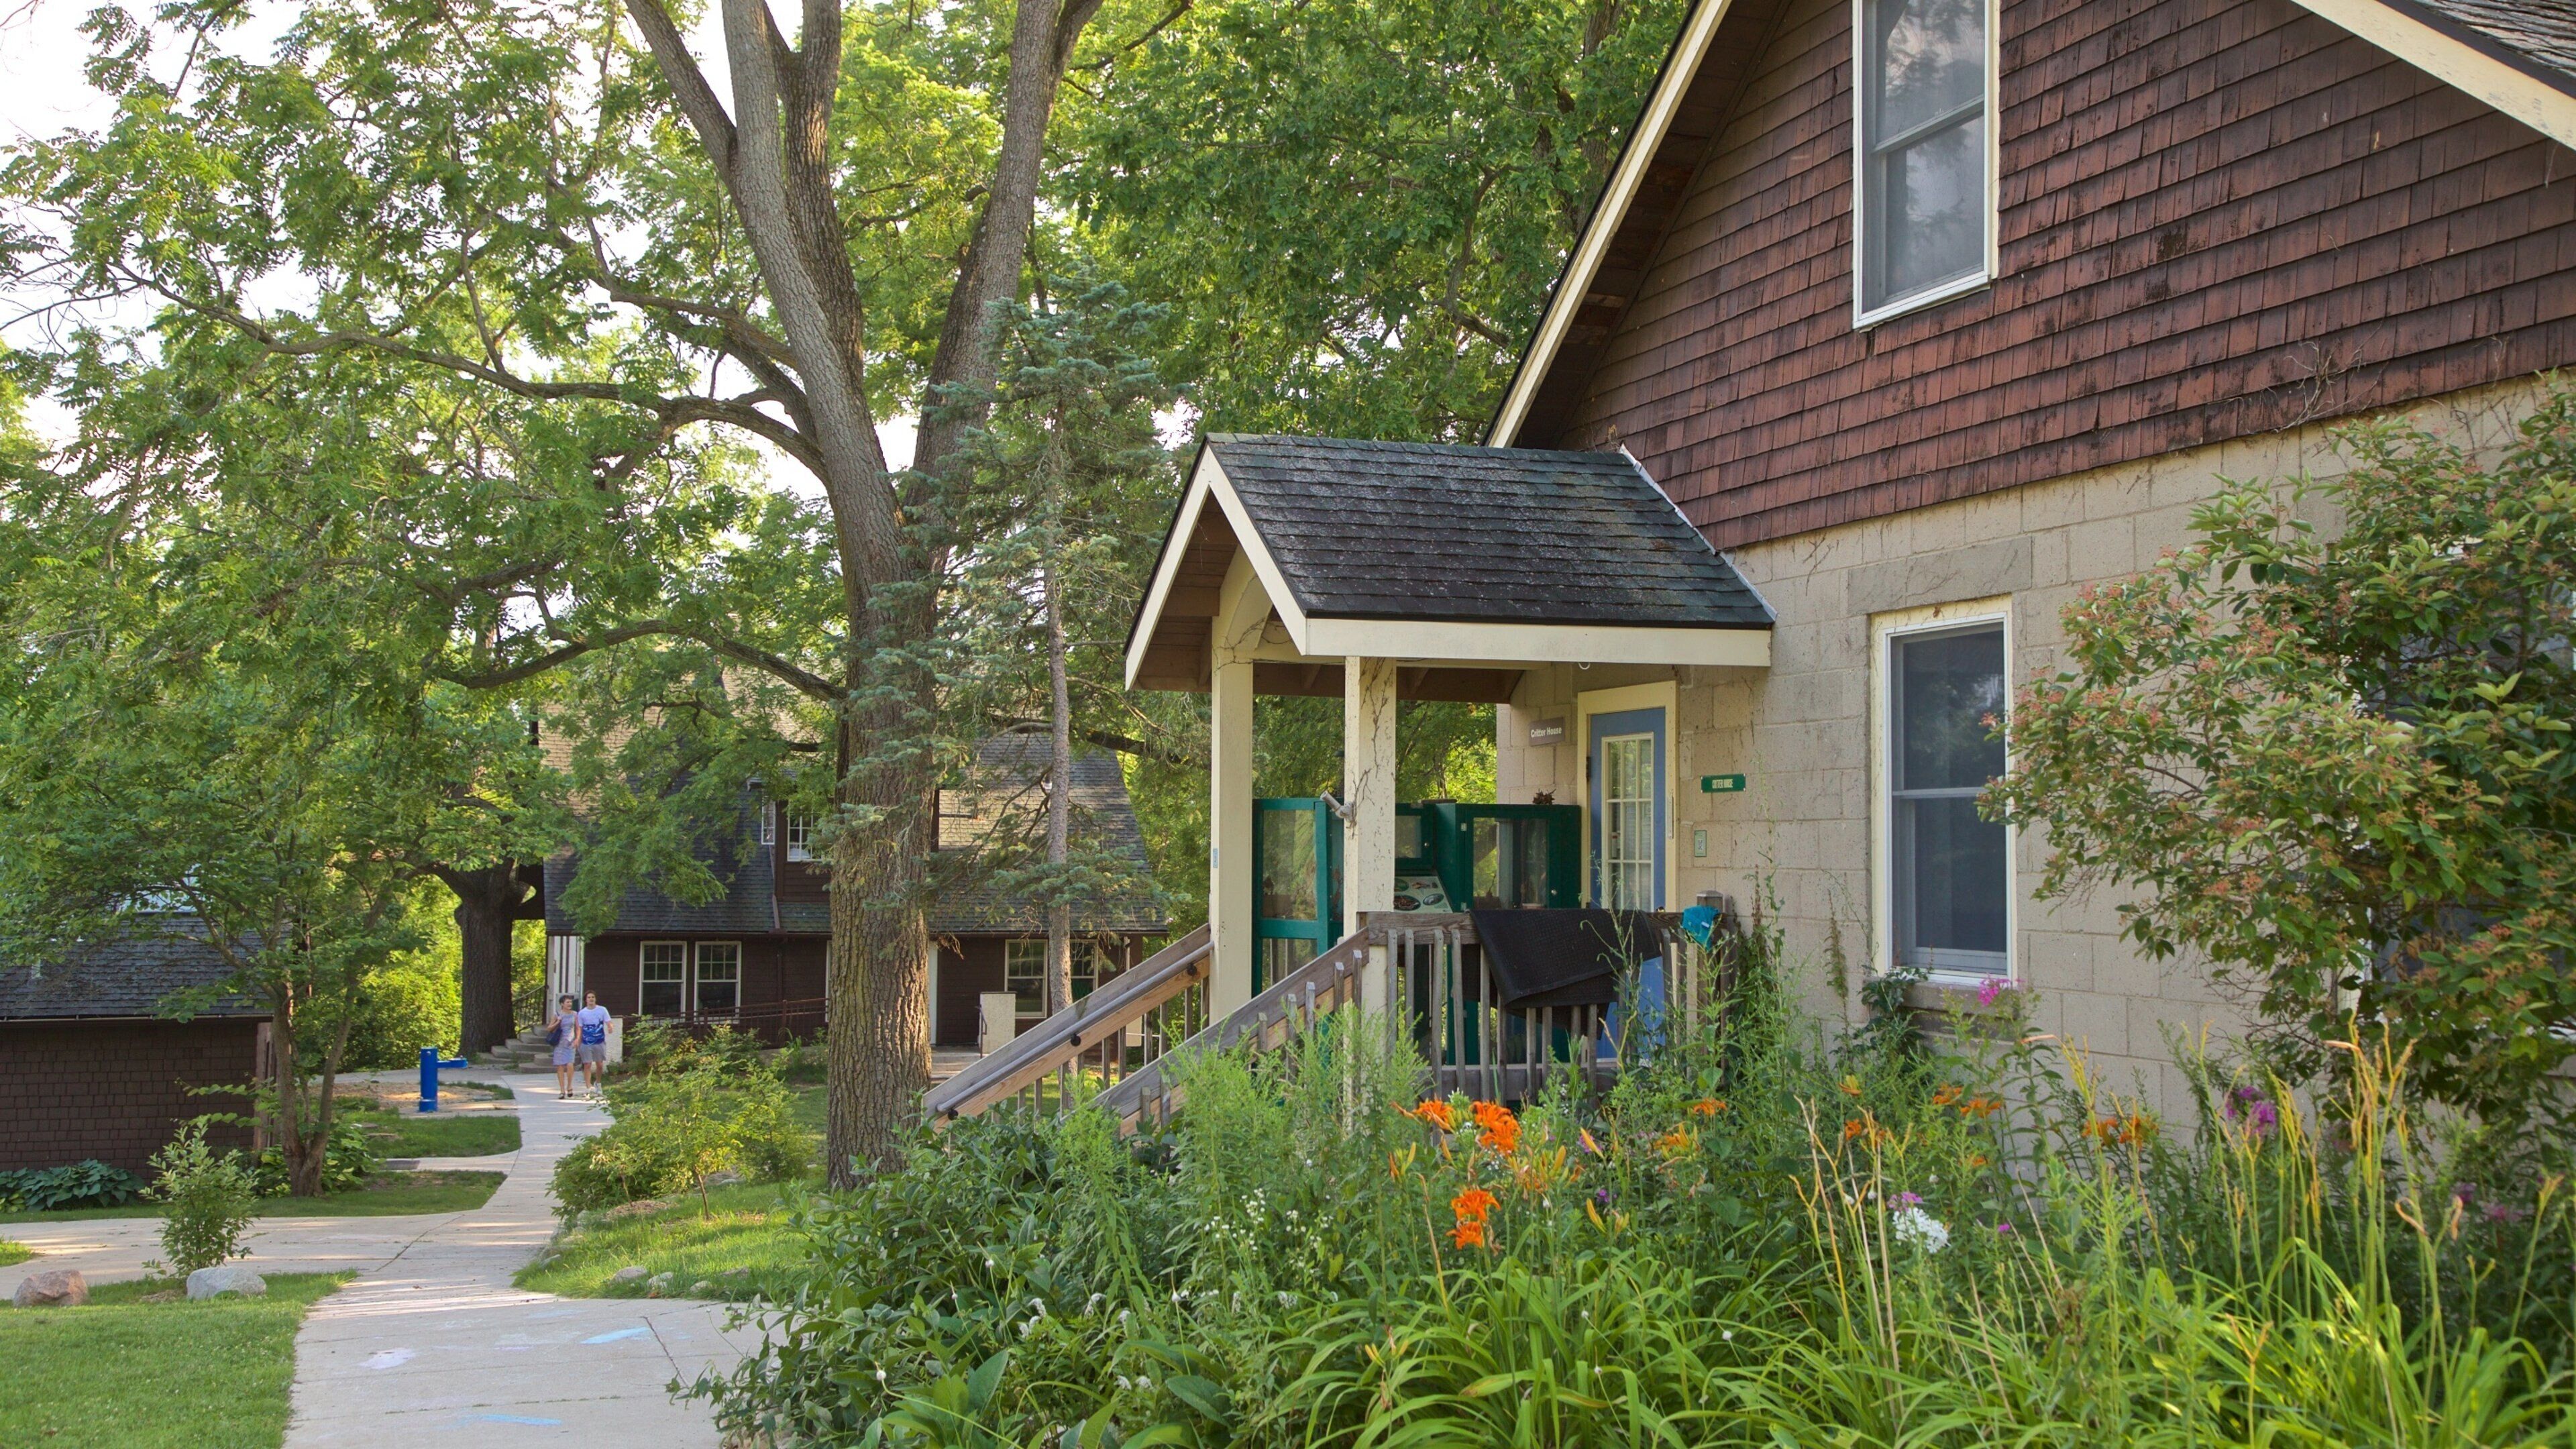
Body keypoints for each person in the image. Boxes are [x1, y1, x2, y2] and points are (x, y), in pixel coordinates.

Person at [576, 990, 613, 1096]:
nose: (591, 999)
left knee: (600, 1065)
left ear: (595, 999)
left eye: (593, 997)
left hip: (599, 1041)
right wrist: (578, 1040)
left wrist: (610, 1027)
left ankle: (598, 1083)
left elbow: (608, 1021)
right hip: (586, 1042)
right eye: (589, 997)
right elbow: (580, 1028)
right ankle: (588, 1087)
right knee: (587, 1064)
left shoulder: (602, 1010)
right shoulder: (582, 1013)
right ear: (586, 1000)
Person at [547, 994, 580, 1099]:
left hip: (570, 1042)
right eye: (567, 1002)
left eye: (571, 1002)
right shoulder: (557, 1014)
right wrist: (558, 1021)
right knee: (560, 1066)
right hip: (559, 1043)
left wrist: (577, 1039)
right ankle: (562, 1090)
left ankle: (569, 1086)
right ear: (562, 1004)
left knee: (570, 1065)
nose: (570, 1004)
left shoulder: (575, 1014)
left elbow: (578, 1028)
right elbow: (550, 1029)